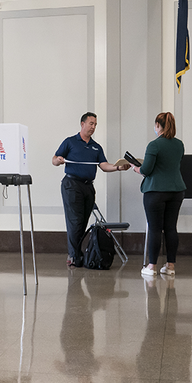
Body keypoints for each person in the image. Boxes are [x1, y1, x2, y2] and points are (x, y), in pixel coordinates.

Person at [52, 112, 129, 268]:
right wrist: (58, 160)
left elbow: (104, 165)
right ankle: (74, 257)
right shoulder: (70, 142)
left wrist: (118, 167)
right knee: (74, 222)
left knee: (82, 222)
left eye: (95, 124)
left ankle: (77, 253)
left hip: (88, 186)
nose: (93, 127)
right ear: (82, 124)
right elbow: (54, 159)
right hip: (72, 185)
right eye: (91, 123)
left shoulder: (96, 147)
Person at [134, 111, 185, 277]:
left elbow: (146, 170)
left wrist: (136, 168)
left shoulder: (154, 145)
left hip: (155, 191)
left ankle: (152, 266)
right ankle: (170, 266)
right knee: (171, 228)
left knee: (155, 229)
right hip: (177, 191)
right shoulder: (179, 145)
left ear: (158, 126)